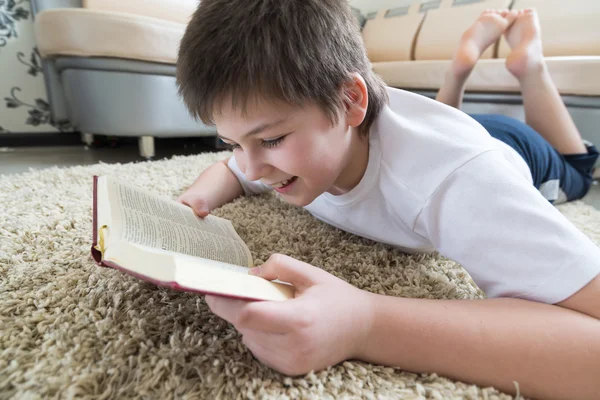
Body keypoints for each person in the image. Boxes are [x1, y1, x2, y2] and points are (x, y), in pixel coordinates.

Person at [175, 1, 600, 398]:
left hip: (520, 148)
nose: (250, 169)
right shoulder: (284, 152)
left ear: (350, 100)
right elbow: (229, 173)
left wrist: (366, 322)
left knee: (579, 167)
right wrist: (196, 197)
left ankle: (530, 66)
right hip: (437, 126)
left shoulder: (458, 179)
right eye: (232, 142)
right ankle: (456, 77)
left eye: (271, 139)